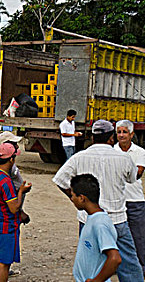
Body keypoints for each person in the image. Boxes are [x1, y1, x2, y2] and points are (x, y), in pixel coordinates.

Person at [52, 119, 143, 281]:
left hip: (89, 220)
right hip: (117, 219)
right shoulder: (123, 158)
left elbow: (60, 179)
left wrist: (78, 200)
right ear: (111, 138)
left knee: (91, 265)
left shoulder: (79, 157)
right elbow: (132, 178)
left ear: (92, 138)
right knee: (129, 266)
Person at [0, 143, 32, 282]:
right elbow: (14, 208)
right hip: (6, 225)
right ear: (11, 160)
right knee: (4, 264)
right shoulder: (5, 181)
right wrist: (21, 191)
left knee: (0, 260)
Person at [70, 174, 122, 282]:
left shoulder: (100, 224)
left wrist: (96, 280)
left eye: (72, 195)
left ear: (81, 198)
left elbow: (115, 258)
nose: (71, 199)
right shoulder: (92, 218)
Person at [115, 119, 145, 277]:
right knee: (116, 237)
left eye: (124, 132)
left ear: (132, 134)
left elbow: (137, 174)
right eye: (119, 132)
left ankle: (141, 269)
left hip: (135, 201)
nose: (121, 135)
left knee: (138, 237)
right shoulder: (112, 150)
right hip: (117, 201)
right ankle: (116, 266)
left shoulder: (139, 152)